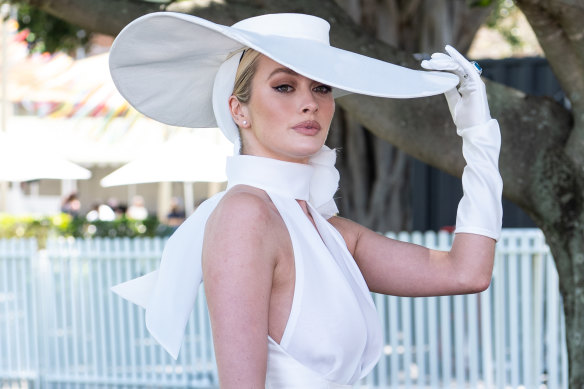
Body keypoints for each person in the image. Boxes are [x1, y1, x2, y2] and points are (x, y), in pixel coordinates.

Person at [110, 12, 502, 388]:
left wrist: (477, 133)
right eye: (284, 86)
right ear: (238, 110)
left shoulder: (325, 230)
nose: (309, 102)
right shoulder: (245, 215)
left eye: (321, 87)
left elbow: (466, 273)